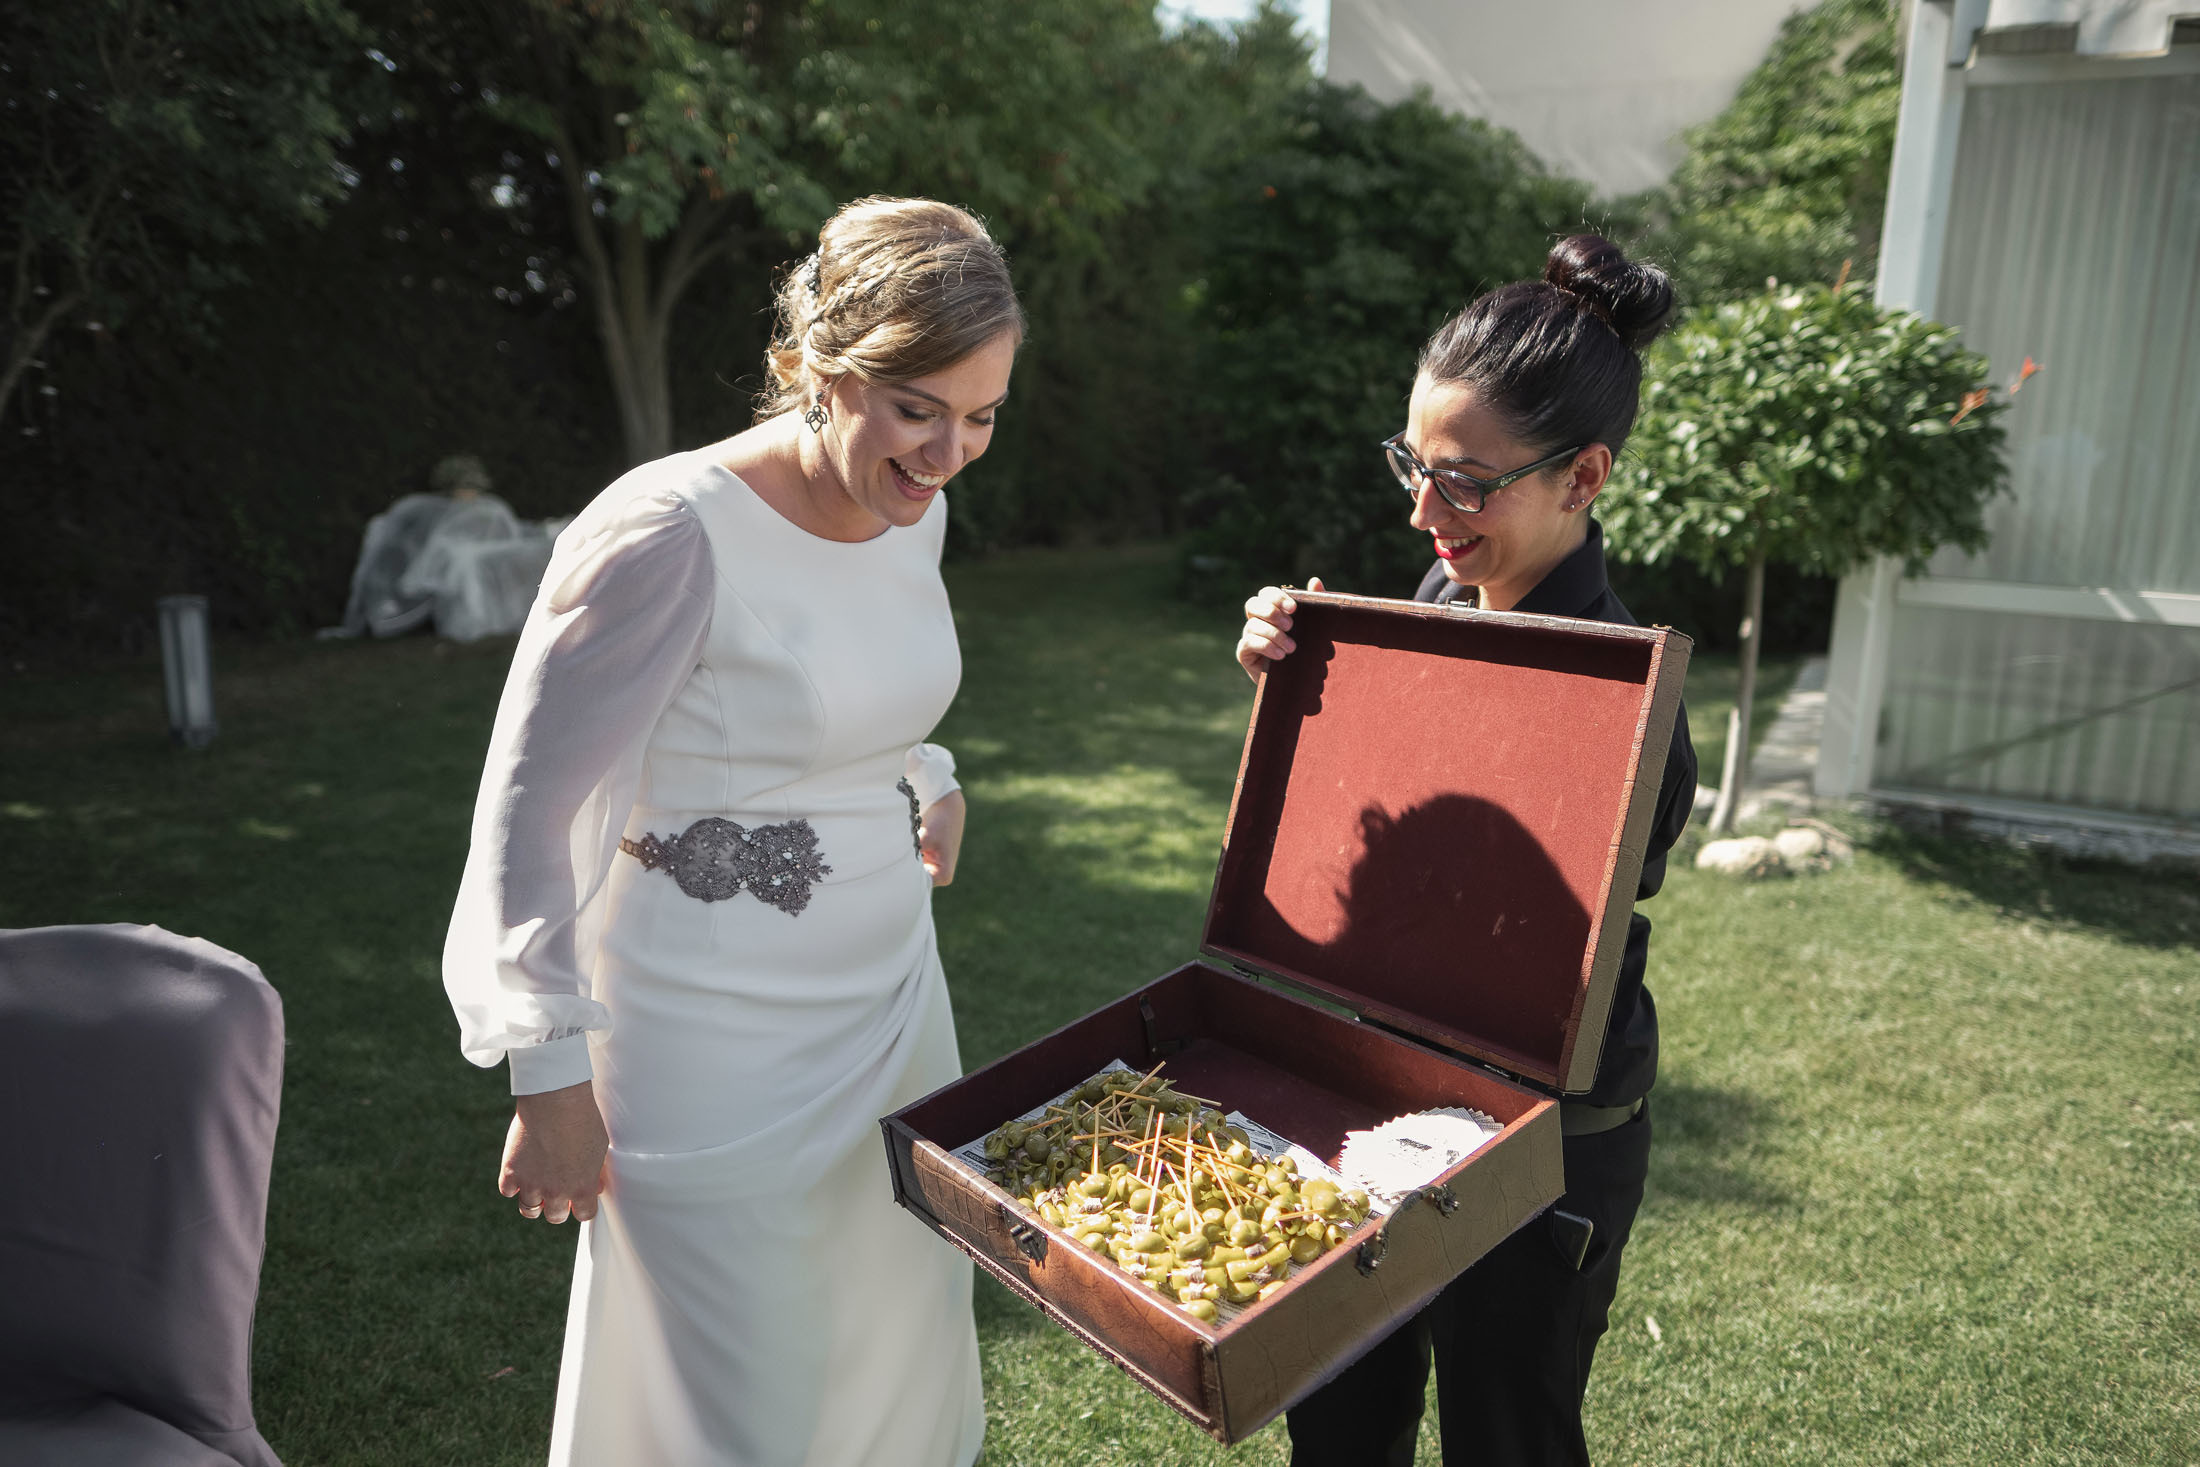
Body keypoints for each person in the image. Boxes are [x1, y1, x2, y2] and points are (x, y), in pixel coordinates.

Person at [441, 196, 1018, 1467]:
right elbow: (525, 811)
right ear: (820, 370)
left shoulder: (912, 502)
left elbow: (847, 672)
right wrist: (546, 1074)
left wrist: (923, 770)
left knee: (894, 1338)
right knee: (742, 1394)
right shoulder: (668, 530)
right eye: (919, 406)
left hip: (889, 1006)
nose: (950, 452)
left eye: (981, 416)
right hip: (707, 1039)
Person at [1235, 234, 1700, 1467]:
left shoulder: (1630, 693)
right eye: (1414, 466)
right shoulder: (1428, 609)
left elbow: (1535, 910)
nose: (1421, 512)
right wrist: (1304, 682)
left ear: (1583, 478)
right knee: (1336, 1414)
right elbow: (1368, 843)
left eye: (1464, 483)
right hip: (1372, 1086)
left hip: (1544, 1130)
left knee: (1509, 1431)